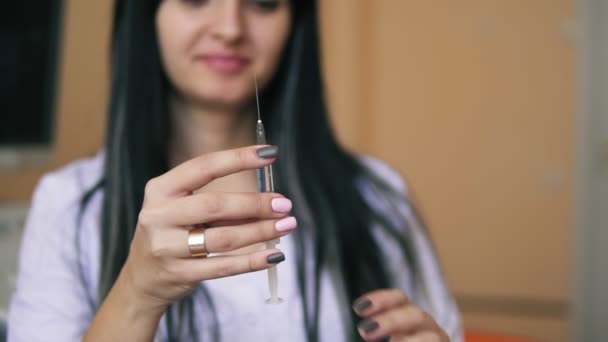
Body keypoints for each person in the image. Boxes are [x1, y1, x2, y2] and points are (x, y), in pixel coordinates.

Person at [8, 0, 463, 341]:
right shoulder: (69, 204)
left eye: (262, 0)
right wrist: (138, 292)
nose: (230, 28)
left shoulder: (376, 196)